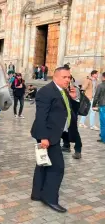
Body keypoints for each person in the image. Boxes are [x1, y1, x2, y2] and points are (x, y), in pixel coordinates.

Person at [30, 66, 79, 213]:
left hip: (55, 133)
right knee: (57, 167)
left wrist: (74, 98)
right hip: (48, 135)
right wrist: (44, 137)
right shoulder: (46, 92)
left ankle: (37, 194)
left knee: (43, 163)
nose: (67, 80)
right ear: (56, 77)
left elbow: (72, 111)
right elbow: (40, 117)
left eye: (69, 77)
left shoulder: (63, 91)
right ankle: (50, 198)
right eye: (64, 77)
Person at [92, 72, 105, 143]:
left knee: (103, 123)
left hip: (103, 105)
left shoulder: (100, 85)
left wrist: (93, 105)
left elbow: (96, 96)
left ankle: (103, 138)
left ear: (103, 77)